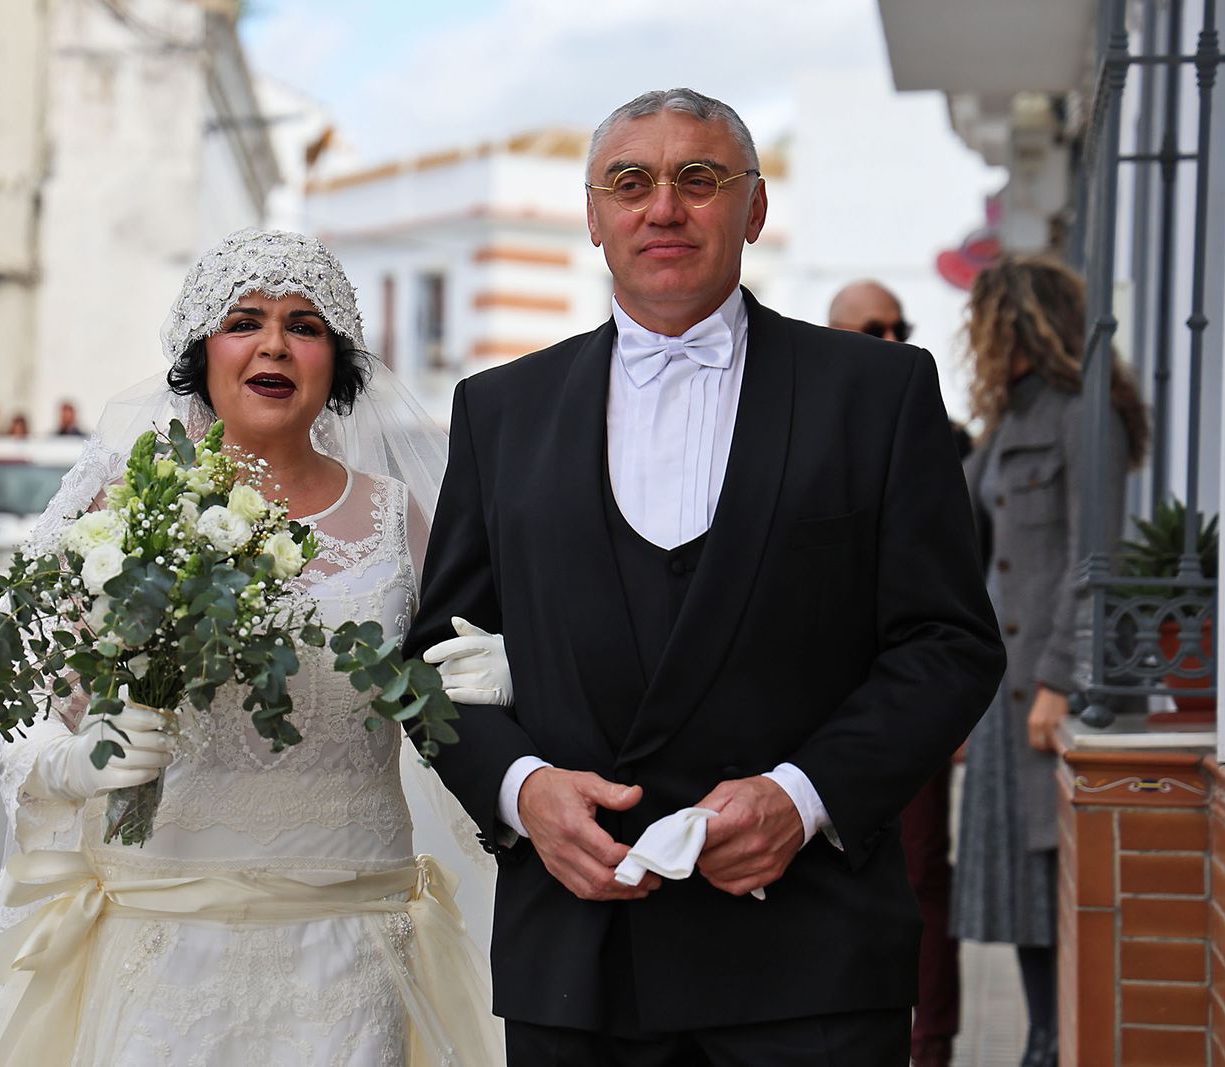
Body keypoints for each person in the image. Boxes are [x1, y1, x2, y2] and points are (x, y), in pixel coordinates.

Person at [407, 88, 1005, 1065]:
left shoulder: (877, 394)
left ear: (754, 209)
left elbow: (948, 642)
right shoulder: (499, 410)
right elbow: (432, 658)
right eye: (631, 182)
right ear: (594, 215)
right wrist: (521, 790)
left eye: (699, 178)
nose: (664, 207)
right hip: (580, 951)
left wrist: (803, 794)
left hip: (806, 951)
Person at [0, 229, 505, 1066]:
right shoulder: (124, 504)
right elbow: (17, 693)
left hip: (350, 948)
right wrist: (71, 764)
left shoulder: (401, 517)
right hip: (162, 939)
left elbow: (453, 686)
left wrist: (506, 672)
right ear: (202, 352)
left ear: (337, 362)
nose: (275, 343)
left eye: (305, 325)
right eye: (246, 320)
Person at [951, 256, 1148, 1067]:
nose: (979, 343)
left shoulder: (1081, 414)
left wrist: (1063, 678)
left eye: (987, 325)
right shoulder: (1005, 424)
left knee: (1055, 877)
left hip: (1048, 690)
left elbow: (1091, 555)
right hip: (1005, 689)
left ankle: (1058, 1040)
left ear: (1019, 324)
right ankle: (1041, 1037)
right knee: (1020, 887)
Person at [826, 278, 962, 1067]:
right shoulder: (812, 423)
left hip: (905, 706)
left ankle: (930, 1040)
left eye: (897, 325)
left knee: (921, 873)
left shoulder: (929, 424)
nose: (887, 337)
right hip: (820, 712)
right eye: (869, 327)